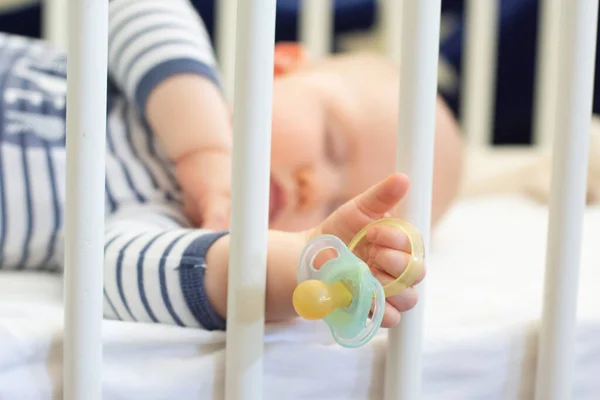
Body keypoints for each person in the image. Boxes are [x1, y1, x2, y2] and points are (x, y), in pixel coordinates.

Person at [0, 0, 462, 332]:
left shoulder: (163, 224)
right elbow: (132, 9)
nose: (314, 187)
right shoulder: (175, 79)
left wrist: (298, 263)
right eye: (331, 142)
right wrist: (204, 148)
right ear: (281, 65)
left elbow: (111, 274)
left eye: (341, 205)